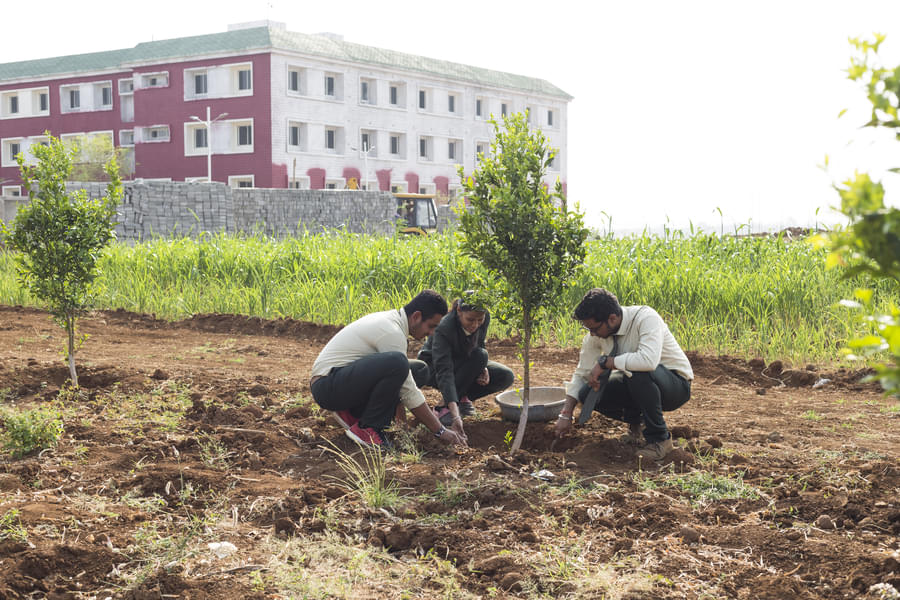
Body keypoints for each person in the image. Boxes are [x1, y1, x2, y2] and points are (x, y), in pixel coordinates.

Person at [310, 289, 466, 448]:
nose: (431, 333)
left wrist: (402, 427)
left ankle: (354, 412)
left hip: (338, 380)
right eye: (431, 326)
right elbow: (407, 389)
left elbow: (399, 383)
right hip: (328, 386)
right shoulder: (391, 331)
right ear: (416, 316)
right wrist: (440, 430)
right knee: (398, 363)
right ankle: (368, 427)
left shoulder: (393, 322)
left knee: (418, 370)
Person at [554, 288, 693, 460]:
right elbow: (582, 373)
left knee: (638, 371)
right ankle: (639, 424)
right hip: (639, 384)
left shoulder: (645, 318)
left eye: (595, 328)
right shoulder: (597, 334)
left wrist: (606, 362)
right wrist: (566, 413)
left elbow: (648, 361)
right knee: (587, 392)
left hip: (675, 385)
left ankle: (660, 440)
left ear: (612, 319)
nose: (592, 333)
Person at [417, 293, 515, 441]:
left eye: (479, 320)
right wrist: (455, 416)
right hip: (433, 368)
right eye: (470, 319)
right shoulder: (444, 328)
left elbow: (479, 344)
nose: (475, 325)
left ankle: (462, 397)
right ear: (458, 311)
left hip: (465, 362)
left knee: (505, 375)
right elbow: (444, 371)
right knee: (480, 356)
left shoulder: (484, 318)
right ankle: (444, 407)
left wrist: (482, 368)